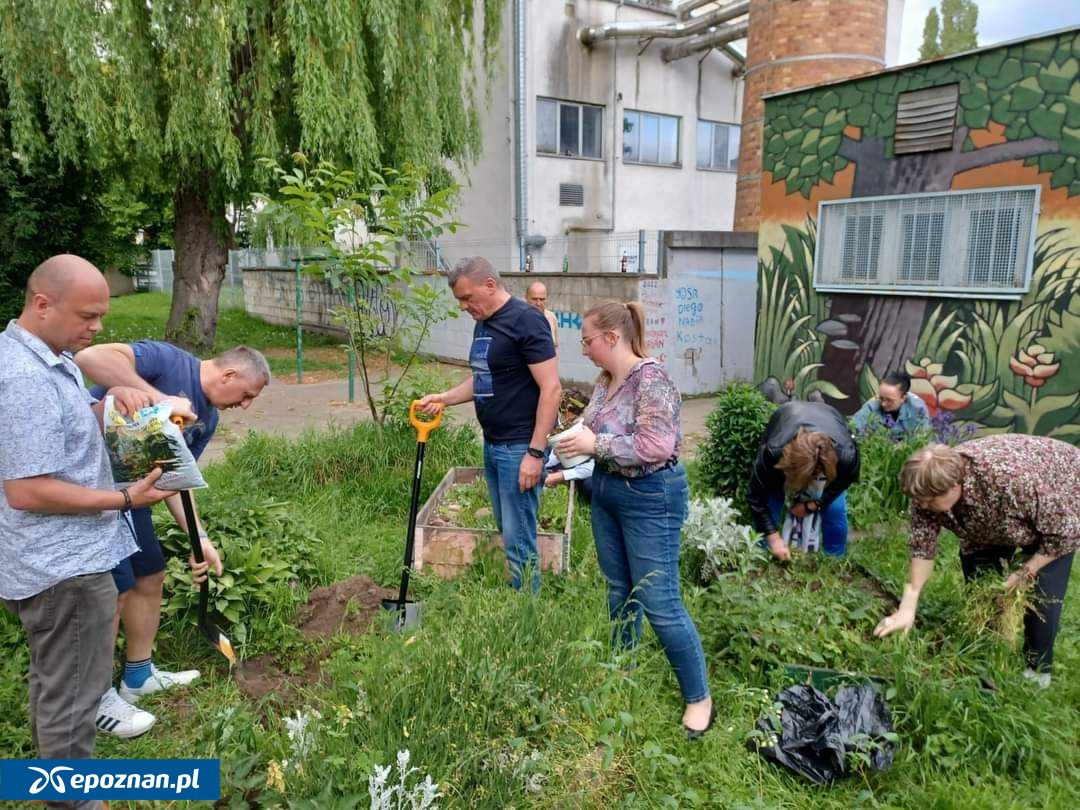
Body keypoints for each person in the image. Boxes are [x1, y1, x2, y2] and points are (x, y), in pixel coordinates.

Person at [0, 255, 171, 792]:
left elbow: (66, 434)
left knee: (61, 686)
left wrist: (111, 405)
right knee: (73, 697)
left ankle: (52, 785)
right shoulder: (23, 376)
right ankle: (74, 801)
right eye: (88, 316)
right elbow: (26, 490)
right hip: (63, 570)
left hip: (70, 560)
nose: (97, 328)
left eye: (102, 316)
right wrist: (124, 498)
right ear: (42, 304)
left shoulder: (55, 359)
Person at [75, 341, 270, 737]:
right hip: (92, 489)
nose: (246, 405)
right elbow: (90, 358)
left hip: (135, 497)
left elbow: (177, 483)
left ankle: (138, 676)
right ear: (229, 375)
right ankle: (95, 700)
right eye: (247, 395)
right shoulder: (168, 362)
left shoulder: (208, 418)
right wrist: (162, 401)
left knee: (151, 575)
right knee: (116, 591)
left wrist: (200, 537)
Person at [553, 301, 713, 738]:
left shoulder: (652, 379)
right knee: (620, 590)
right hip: (607, 493)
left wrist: (592, 445)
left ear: (612, 337)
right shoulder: (605, 382)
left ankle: (699, 698)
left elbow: (655, 446)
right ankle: (621, 668)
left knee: (660, 603)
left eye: (587, 340)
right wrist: (563, 459)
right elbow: (589, 432)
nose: (583, 349)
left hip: (650, 496)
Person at [874, 436, 1079, 686]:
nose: (923, 506)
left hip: (1055, 509)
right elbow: (922, 547)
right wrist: (909, 604)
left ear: (954, 485)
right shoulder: (925, 488)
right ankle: (989, 650)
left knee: (1041, 597)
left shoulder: (1010, 482)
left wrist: (1024, 572)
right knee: (982, 584)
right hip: (988, 523)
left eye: (929, 501)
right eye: (920, 501)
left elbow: (1065, 533)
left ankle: (1037, 672)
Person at [419, 257, 560, 591]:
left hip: (519, 447)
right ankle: (522, 600)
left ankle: (527, 617)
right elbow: (483, 379)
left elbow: (551, 389)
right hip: (493, 444)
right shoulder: (482, 323)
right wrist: (444, 397)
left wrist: (535, 453)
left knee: (518, 538)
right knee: (507, 528)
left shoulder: (527, 321)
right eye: (460, 301)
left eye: (468, 298)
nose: (465, 306)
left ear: (490, 285)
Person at [748, 401, 860, 561]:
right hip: (787, 415)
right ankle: (759, 556)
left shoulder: (846, 455)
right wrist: (773, 538)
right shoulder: (773, 452)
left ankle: (835, 561)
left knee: (835, 510)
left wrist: (815, 504)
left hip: (829, 414)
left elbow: (844, 482)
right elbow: (755, 497)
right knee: (771, 500)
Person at [852, 370, 930, 437]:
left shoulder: (918, 409)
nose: (883, 404)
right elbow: (854, 427)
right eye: (881, 398)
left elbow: (922, 439)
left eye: (889, 400)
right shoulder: (872, 405)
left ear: (903, 398)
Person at [525, 281, 559, 349]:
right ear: (526, 297)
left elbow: (555, 346)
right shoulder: (517, 318)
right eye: (534, 299)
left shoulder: (551, 317)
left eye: (542, 299)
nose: (538, 303)